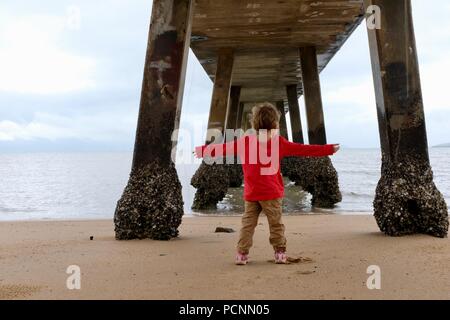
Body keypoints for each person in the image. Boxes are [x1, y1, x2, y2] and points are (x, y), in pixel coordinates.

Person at [195, 102, 340, 265]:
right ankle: (280, 254)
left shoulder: (245, 141)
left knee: (247, 225)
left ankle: (242, 255)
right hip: (272, 194)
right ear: (276, 125)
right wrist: (328, 149)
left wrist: (202, 151)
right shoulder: (279, 142)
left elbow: (223, 148)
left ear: (253, 124)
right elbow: (303, 149)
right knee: (276, 224)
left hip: (251, 194)